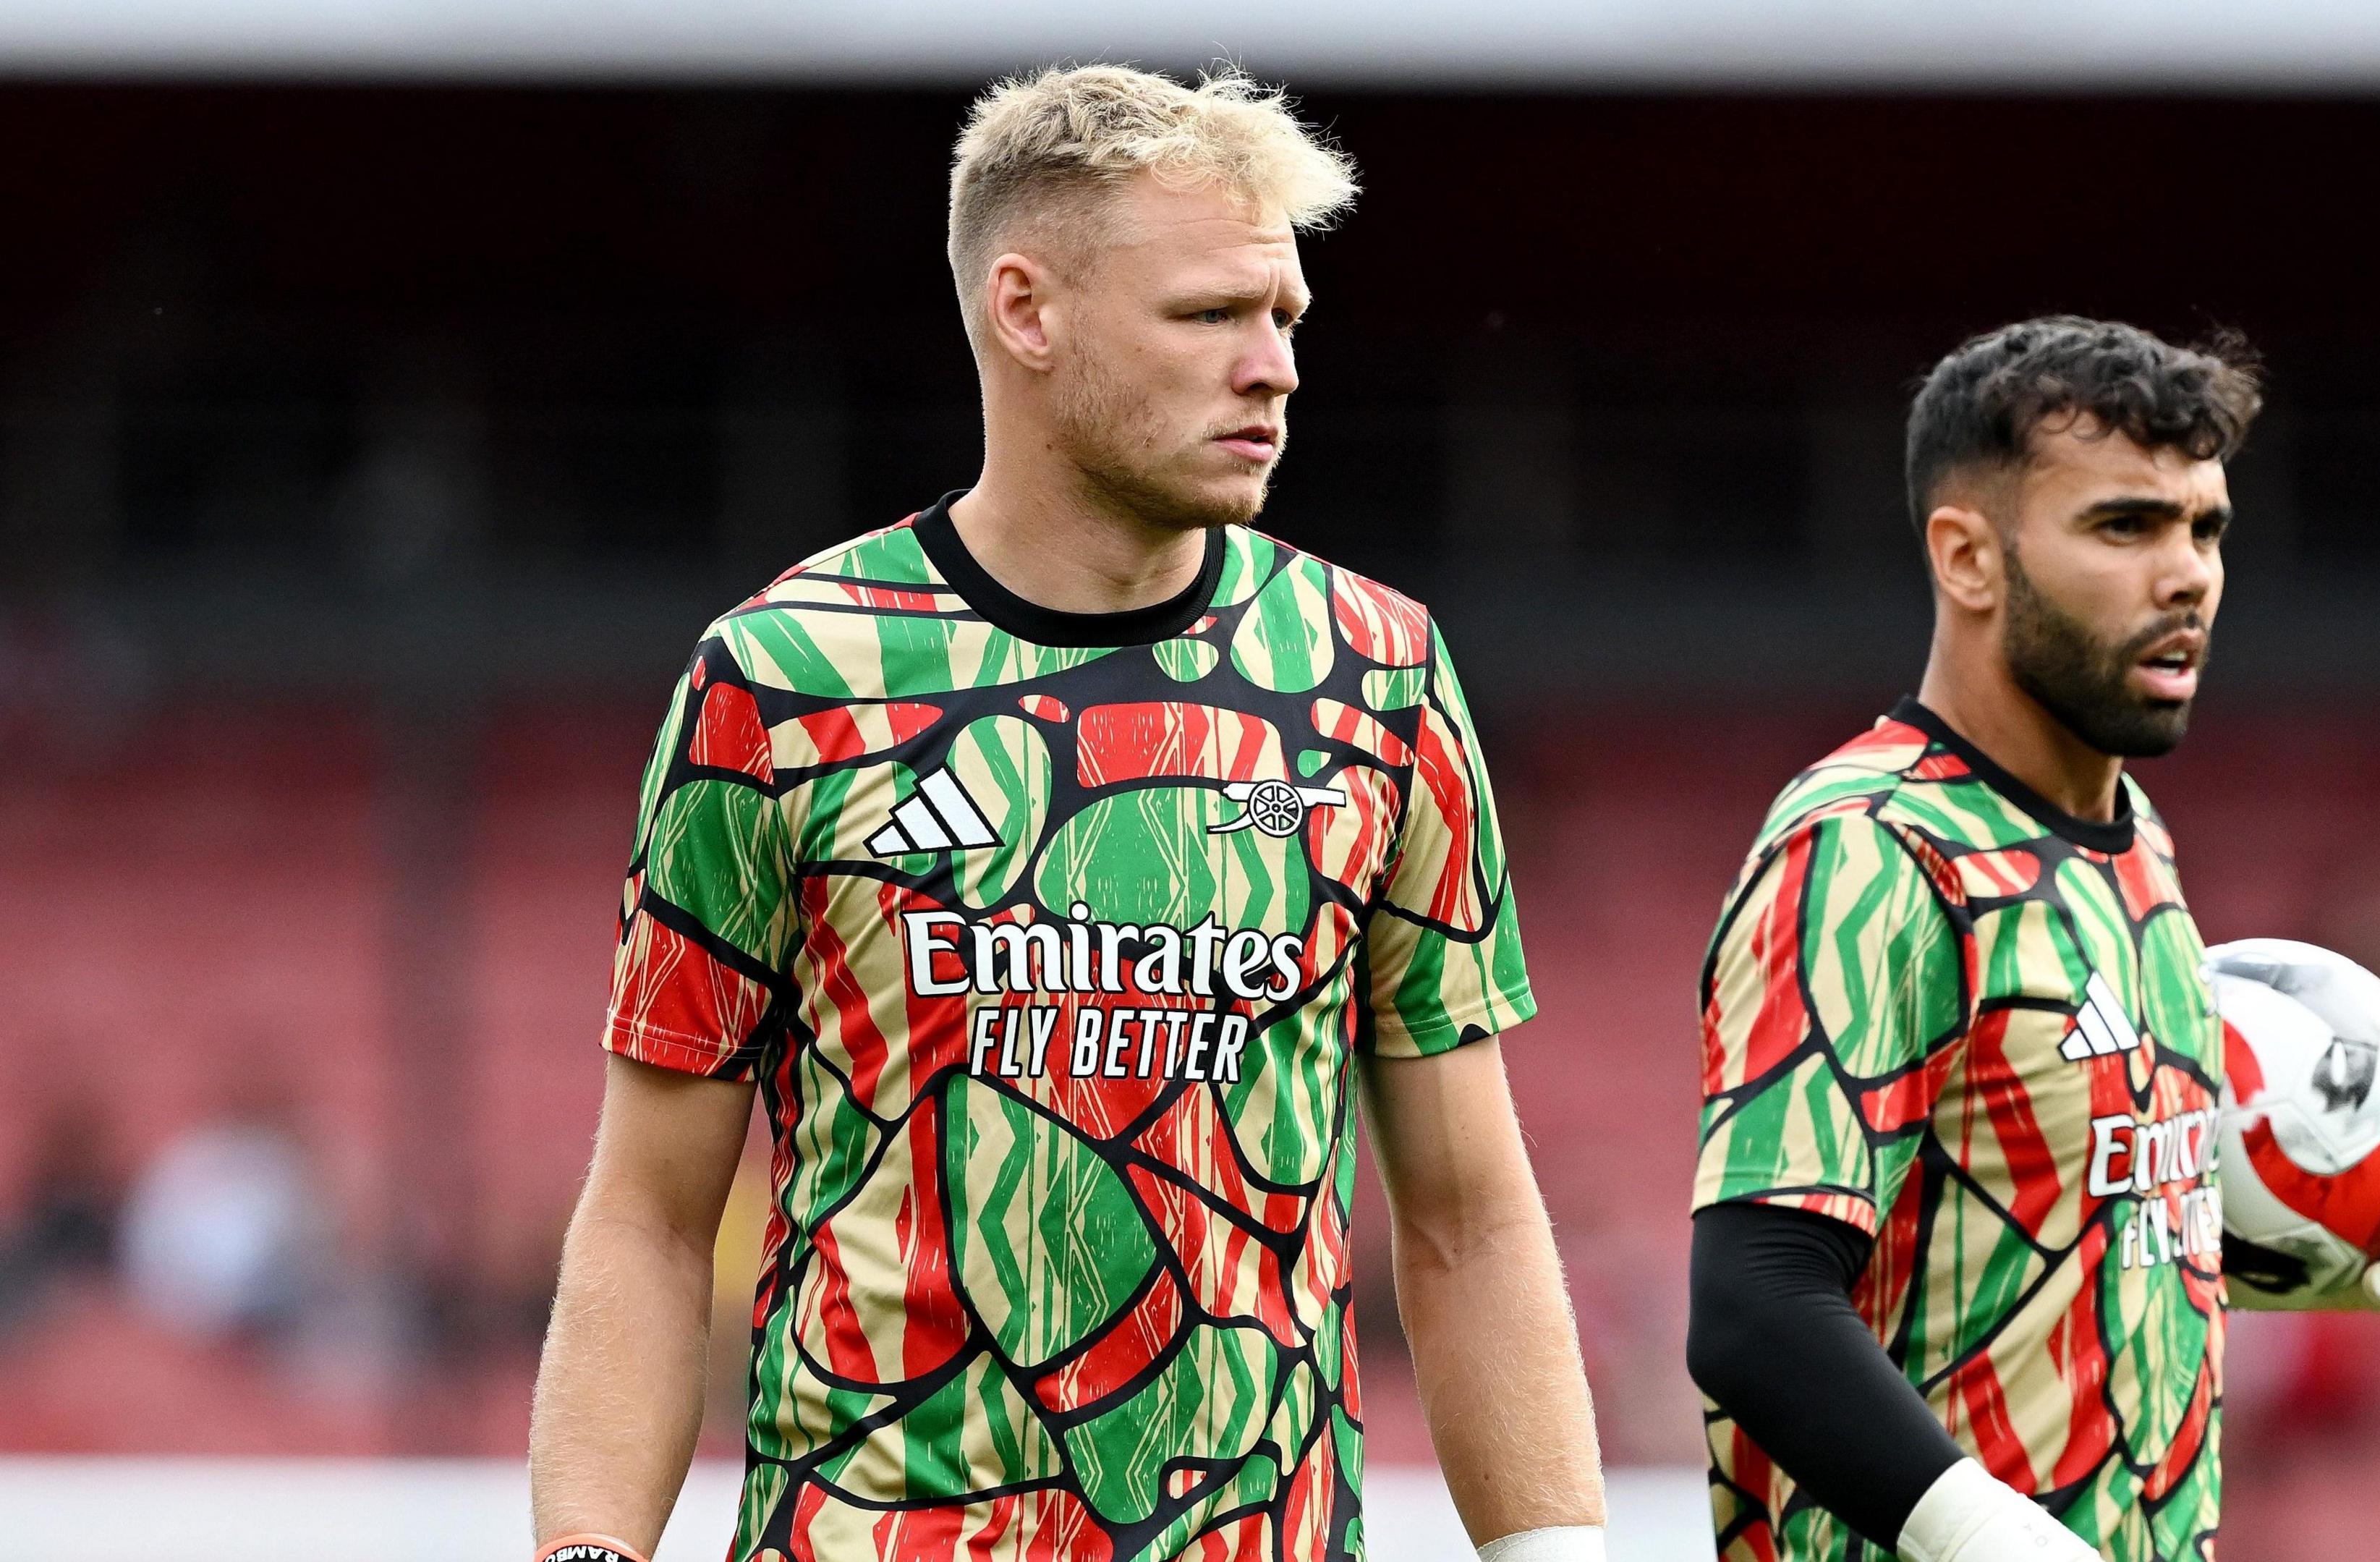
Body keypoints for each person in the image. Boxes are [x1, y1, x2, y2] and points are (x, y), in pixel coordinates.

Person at [528, 65, 1605, 1562]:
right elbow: (648, 1216)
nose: (1276, 367)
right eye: (1211, 315)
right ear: (1026, 312)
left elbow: (1469, 1219)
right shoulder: (780, 678)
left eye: (1285, 317)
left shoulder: (1381, 672)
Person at [1682, 318, 2380, 1562]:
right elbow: (1754, 1307)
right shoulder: (1868, 849)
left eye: (2206, 529)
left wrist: (2305, 1239)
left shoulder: (2138, 841)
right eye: (2125, 526)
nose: (2186, 575)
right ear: (1968, 558)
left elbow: (2045, 1235)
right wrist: (1986, 1542)